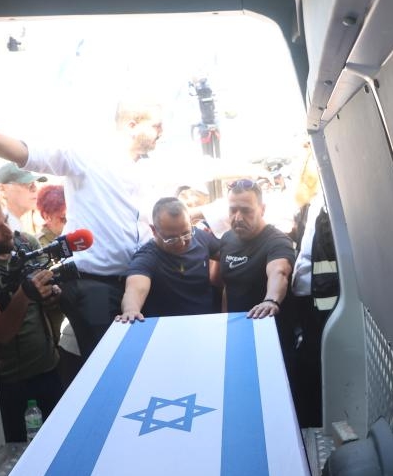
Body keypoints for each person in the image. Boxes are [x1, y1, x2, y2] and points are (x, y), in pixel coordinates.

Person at [0, 99, 164, 359]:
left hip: (137, 283)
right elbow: (23, 153)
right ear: (132, 125)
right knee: (108, 366)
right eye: (156, 125)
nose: (162, 132)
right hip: (95, 287)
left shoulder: (143, 171)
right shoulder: (87, 154)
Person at [0, 189, 63, 442]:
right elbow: (1, 332)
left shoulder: (26, 243)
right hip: (14, 384)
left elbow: (50, 299)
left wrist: (54, 295)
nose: (7, 232)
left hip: (50, 365)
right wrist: (24, 293)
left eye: (5, 221)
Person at [281, 158, 340, 426]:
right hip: (309, 299)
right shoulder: (316, 202)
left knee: (316, 367)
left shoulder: (332, 202)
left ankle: (314, 421)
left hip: (321, 304)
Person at [116, 197, 221, 323]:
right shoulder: (147, 256)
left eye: (186, 234)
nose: (182, 242)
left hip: (208, 322)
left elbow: (229, 255)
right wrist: (131, 310)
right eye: (171, 239)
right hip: (168, 327)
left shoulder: (200, 237)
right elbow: (135, 288)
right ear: (154, 231)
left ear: (191, 223)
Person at [218, 179, 295, 319]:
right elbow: (227, 287)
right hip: (236, 326)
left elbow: (279, 272)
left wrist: (271, 300)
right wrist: (225, 318)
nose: (238, 217)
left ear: (262, 209)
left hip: (267, 327)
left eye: (246, 210)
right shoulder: (226, 239)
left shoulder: (277, 241)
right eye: (233, 210)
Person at [35, 184, 68, 345]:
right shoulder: (38, 245)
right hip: (53, 325)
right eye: (63, 219)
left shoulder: (73, 238)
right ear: (46, 216)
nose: (68, 223)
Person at [0, 163, 47, 234]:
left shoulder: (14, 223)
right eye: (27, 183)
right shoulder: (1, 229)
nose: (34, 189)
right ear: (2, 190)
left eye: (34, 183)